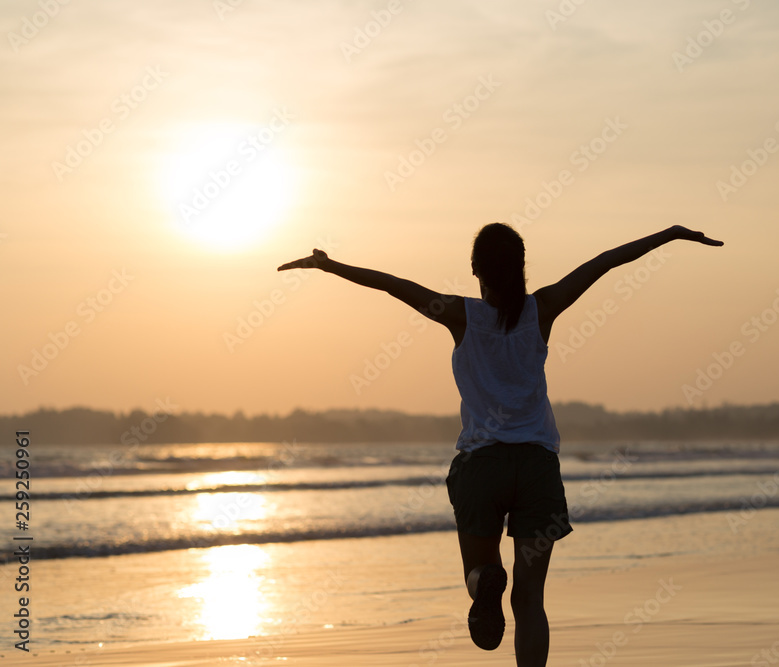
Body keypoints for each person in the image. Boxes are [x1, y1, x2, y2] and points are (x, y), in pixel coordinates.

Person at [278, 223, 723, 666]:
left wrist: (331, 266)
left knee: (479, 572)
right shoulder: (543, 307)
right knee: (531, 600)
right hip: (536, 468)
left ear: (475, 270)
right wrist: (668, 235)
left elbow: (396, 286)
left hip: (481, 467)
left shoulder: (460, 314)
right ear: (522, 267)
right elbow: (605, 262)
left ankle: (484, 582)